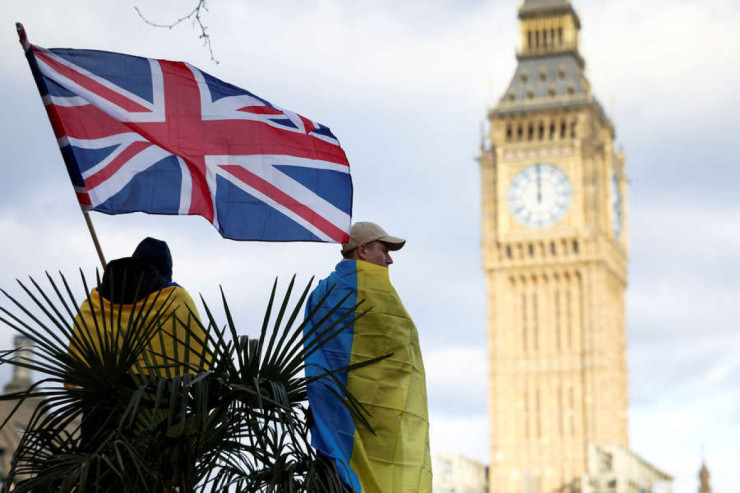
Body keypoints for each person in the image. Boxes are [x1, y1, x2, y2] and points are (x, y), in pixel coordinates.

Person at [303, 222, 432, 492]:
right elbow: (402, 359)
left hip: (332, 419)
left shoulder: (321, 292)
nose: (390, 259)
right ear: (362, 250)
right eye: (383, 251)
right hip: (380, 424)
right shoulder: (379, 293)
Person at [69, 237, 209, 378]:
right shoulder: (175, 298)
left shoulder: (94, 300)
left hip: (97, 397)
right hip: (155, 396)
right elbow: (196, 360)